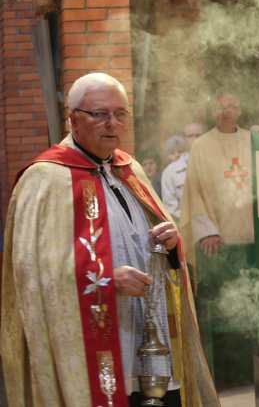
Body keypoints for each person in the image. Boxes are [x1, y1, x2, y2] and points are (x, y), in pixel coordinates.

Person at [0, 73, 219, 406]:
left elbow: (165, 251)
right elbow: (30, 274)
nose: (112, 124)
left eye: (120, 114)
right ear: (72, 118)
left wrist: (172, 244)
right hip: (95, 343)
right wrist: (104, 280)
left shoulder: (130, 170)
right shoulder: (45, 178)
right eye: (99, 114)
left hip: (151, 338)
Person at [180, 93, 254, 261]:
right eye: (220, 108)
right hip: (215, 241)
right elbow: (193, 191)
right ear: (213, 113)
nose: (225, 112)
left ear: (240, 111)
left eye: (231, 107)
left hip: (255, 236)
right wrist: (206, 231)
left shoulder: (253, 141)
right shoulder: (201, 146)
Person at [161, 123, 206, 222]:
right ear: (185, 140)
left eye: (199, 135)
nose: (195, 139)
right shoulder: (171, 172)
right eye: (190, 136)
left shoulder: (216, 164)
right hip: (188, 229)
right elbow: (171, 209)